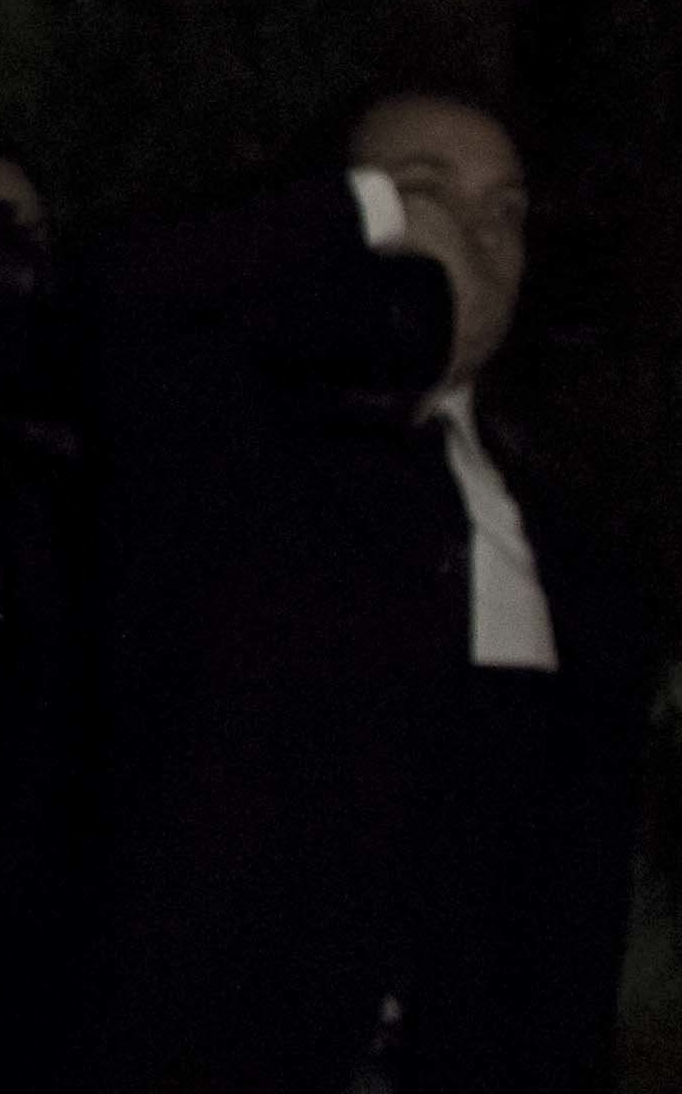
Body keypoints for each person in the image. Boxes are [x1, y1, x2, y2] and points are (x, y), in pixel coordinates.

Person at [83, 90, 637, 1090]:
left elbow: (575, 903)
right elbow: (104, 298)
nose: (473, 231)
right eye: (427, 189)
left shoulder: (566, 535)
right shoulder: (237, 445)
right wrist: (357, 220)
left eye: (505, 207)